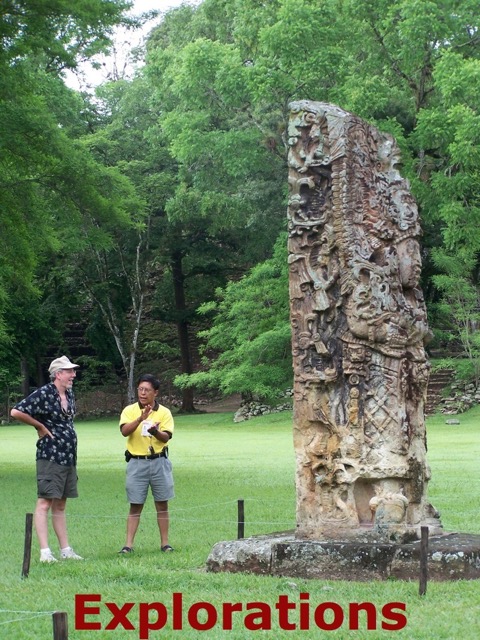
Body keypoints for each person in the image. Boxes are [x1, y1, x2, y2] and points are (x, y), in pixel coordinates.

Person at [10, 355, 83, 563]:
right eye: (69, 371)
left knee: (60, 504)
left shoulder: (69, 393)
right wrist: (39, 426)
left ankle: (65, 550)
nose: (73, 375)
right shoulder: (44, 393)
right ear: (58, 374)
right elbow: (16, 411)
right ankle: (45, 552)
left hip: (68, 455)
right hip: (50, 455)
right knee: (45, 502)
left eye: (73, 371)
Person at [118, 374, 175, 554]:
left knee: (162, 503)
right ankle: (128, 545)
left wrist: (155, 432)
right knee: (135, 504)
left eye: (147, 390)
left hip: (159, 461)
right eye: (140, 389)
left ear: (155, 393)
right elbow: (124, 432)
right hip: (136, 463)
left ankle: (165, 544)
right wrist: (140, 419)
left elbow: (166, 437)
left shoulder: (164, 412)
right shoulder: (129, 410)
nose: (143, 393)